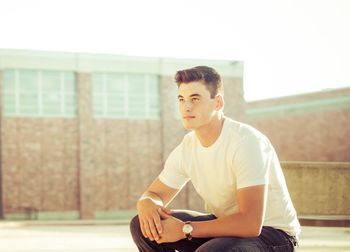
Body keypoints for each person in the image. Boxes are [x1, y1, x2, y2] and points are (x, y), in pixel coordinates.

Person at [130, 66, 300, 252]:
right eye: (182, 99)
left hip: (273, 235)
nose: (186, 107)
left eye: (195, 99)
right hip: (225, 227)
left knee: (213, 251)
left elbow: (250, 223)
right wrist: (146, 202)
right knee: (143, 225)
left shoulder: (246, 142)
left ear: (218, 103)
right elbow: (155, 195)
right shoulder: (187, 147)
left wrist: (184, 229)